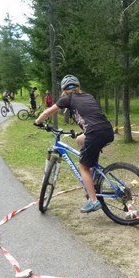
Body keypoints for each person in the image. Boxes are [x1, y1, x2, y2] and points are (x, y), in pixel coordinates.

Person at [34, 75, 114, 213]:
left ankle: (94, 201)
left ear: (64, 89)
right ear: (78, 86)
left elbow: (48, 112)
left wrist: (38, 121)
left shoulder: (67, 97)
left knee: (82, 167)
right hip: (107, 130)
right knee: (79, 140)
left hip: (94, 133)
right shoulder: (88, 95)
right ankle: (92, 173)